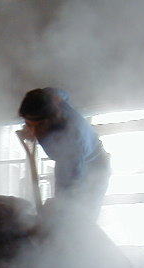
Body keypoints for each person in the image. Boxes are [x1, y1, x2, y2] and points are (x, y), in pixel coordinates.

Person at [19, 87, 110, 222]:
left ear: (49, 120)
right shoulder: (52, 99)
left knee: (82, 217)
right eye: (28, 124)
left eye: (37, 125)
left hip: (94, 168)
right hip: (75, 156)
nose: (32, 131)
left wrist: (59, 205)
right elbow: (62, 94)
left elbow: (71, 183)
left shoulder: (71, 141)